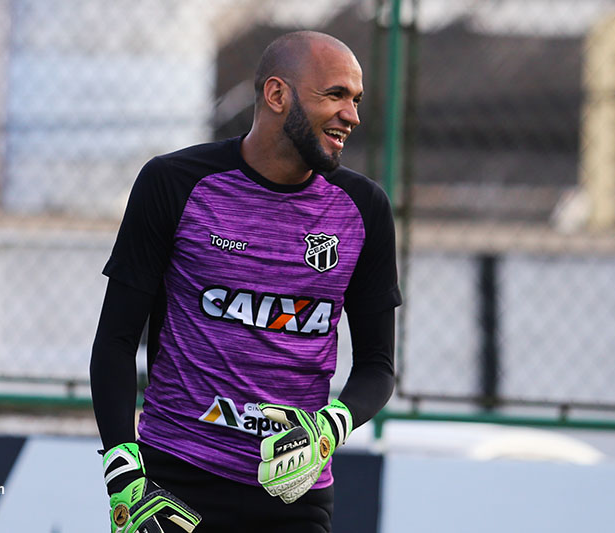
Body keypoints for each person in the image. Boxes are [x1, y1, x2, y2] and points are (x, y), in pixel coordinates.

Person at [90, 30, 401, 533]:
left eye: (357, 99)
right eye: (336, 95)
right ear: (277, 95)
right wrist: (124, 476)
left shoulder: (364, 209)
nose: (353, 116)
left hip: (295, 498)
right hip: (175, 483)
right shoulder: (174, 182)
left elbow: (379, 367)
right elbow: (116, 341)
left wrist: (327, 429)